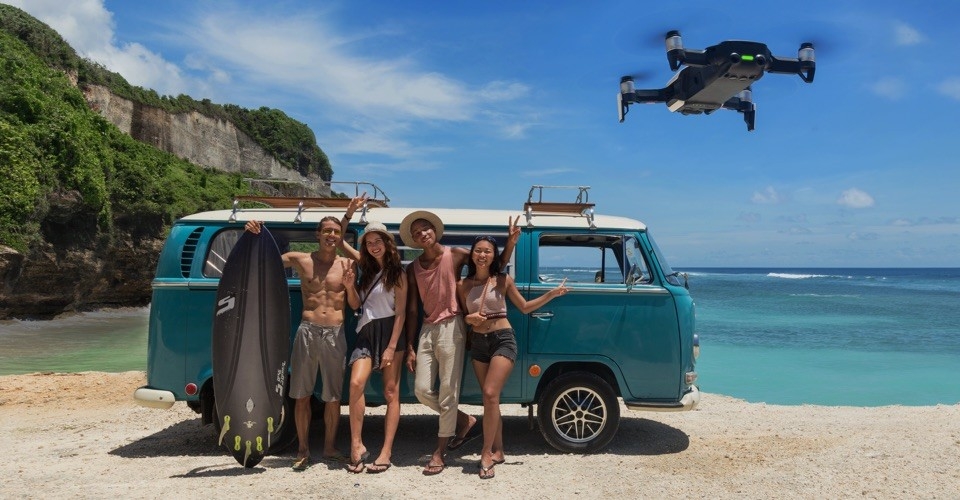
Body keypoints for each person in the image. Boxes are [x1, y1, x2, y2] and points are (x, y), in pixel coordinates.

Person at [401, 211, 518, 476]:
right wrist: (409, 346)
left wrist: (510, 243)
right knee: (421, 389)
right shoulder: (412, 268)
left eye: (426, 228)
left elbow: (491, 264)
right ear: (414, 239)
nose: (422, 234)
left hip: (453, 324)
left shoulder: (454, 254)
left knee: (448, 391)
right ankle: (463, 420)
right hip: (427, 327)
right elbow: (412, 309)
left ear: (434, 230)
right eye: (417, 232)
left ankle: (439, 452)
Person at [244, 216, 352, 471]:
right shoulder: (301, 259)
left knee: (333, 397)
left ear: (340, 236)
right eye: (327, 231)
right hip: (308, 331)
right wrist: (253, 236)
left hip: (335, 333)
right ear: (318, 234)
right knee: (302, 395)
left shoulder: (347, 264)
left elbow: (373, 266)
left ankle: (329, 447)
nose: (331, 235)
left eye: (336, 232)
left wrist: (351, 284)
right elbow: (263, 261)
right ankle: (303, 449)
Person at [458, 236, 568, 479]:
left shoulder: (502, 280)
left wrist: (551, 294)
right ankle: (499, 451)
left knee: (490, 394)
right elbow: (463, 316)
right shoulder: (463, 285)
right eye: (478, 250)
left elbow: (525, 307)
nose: (482, 255)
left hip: (503, 339)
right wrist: (469, 318)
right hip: (478, 343)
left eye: (488, 251)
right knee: (490, 400)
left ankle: (486, 453)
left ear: (493, 256)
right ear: (472, 254)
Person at [338, 198, 407, 474]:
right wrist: (349, 212)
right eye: (368, 242)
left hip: (391, 332)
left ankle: (386, 451)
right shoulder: (365, 268)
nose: (373, 246)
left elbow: (401, 313)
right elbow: (339, 239)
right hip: (366, 332)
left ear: (387, 243)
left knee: (391, 392)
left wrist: (391, 347)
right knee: (356, 383)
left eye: (378, 241)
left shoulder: (398, 273)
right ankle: (356, 445)